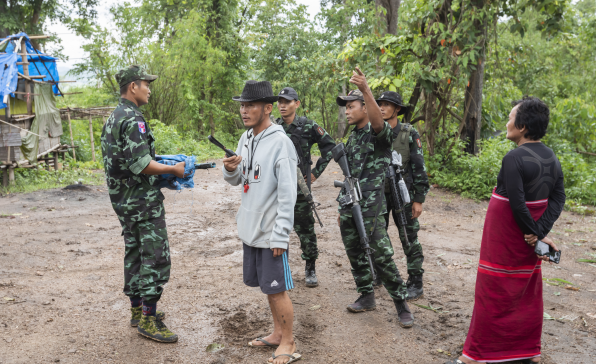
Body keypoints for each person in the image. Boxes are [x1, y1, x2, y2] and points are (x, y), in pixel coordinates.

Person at [447, 97, 565, 364]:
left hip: (507, 235)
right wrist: (539, 232)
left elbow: (516, 202)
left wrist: (532, 231)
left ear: (522, 126)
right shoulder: (551, 156)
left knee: (493, 287)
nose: (507, 123)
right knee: (527, 288)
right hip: (527, 235)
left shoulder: (513, 158)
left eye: (511, 118)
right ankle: (528, 352)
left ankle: (474, 356)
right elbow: (558, 198)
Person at [101, 65, 185, 343]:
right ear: (133, 86)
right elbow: (141, 164)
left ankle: (137, 311)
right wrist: (173, 171)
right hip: (143, 203)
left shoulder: (113, 117)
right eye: (146, 84)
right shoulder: (134, 119)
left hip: (123, 202)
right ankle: (149, 319)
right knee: (156, 258)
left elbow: (122, 162)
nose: (149, 89)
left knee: (135, 253)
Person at [222, 80, 301, 364]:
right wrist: (230, 169)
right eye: (242, 105)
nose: (244, 110)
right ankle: (278, 333)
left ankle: (289, 342)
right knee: (268, 286)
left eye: (251, 105)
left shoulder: (281, 143)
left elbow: (287, 194)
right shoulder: (246, 138)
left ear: (267, 108)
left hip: (270, 232)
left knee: (277, 288)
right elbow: (239, 179)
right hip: (251, 229)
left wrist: (281, 234)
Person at [335, 68, 414, 328]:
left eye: (351, 106)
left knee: (381, 254)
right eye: (345, 107)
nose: (347, 110)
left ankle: (401, 304)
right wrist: (342, 205)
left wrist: (367, 89)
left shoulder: (378, 134)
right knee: (354, 251)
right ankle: (366, 294)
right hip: (350, 203)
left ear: (365, 108)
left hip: (371, 207)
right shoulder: (354, 136)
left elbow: (379, 124)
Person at [275, 86, 336, 287]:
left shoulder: (308, 126)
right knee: (276, 228)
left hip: (300, 188)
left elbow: (330, 147)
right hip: (276, 189)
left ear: (297, 104)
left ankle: (310, 267)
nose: (282, 106)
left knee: (305, 230)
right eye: (280, 102)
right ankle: (278, 269)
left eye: (287, 102)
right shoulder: (273, 128)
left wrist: (315, 173)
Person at [377, 91, 429, 300]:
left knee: (409, 238)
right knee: (377, 236)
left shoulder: (408, 133)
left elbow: (419, 167)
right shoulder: (373, 131)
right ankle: (379, 275)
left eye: (386, 104)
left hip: (402, 194)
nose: (381, 108)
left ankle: (415, 282)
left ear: (397, 109)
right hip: (379, 194)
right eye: (379, 104)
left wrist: (418, 199)